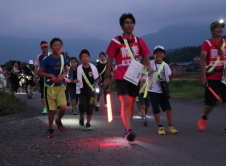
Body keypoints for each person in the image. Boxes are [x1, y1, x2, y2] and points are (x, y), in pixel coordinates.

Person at [103, 13, 151, 141]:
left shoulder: (139, 41)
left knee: (130, 104)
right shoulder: (116, 41)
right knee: (125, 102)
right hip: (121, 76)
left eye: (131, 22)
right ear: (122, 26)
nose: (129, 25)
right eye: (126, 23)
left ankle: (126, 128)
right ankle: (129, 130)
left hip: (134, 75)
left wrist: (148, 67)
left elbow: (145, 55)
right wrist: (107, 76)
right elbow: (110, 60)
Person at [197, 20, 226, 137]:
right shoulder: (207, 43)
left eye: (221, 27)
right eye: (217, 27)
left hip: (225, 76)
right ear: (212, 30)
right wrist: (203, 76)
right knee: (210, 104)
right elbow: (202, 60)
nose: (219, 29)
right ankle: (204, 117)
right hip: (212, 76)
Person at [37, 38, 69, 138]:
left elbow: (67, 70)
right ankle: (50, 129)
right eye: (55, 45)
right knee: (52, 110)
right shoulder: (47, 59)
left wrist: (62, 76)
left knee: (63, 107)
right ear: (51, 47)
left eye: (60, 45)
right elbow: (39, 72)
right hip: (50, 87)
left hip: (60, 86)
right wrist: (51, 76)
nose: (58, 47)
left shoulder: (63, 58)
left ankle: (58, 120)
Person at [145, 46, 178, 135]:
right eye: (157, 53)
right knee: (156, 109)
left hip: (163, 91)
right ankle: (160, 126)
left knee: (168, 108)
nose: (159, 55)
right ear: (154, 54)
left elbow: (167, 79)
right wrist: (148, 73)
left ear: (164, 55)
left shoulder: (165, 65)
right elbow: (143, 74)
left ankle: (170, 125)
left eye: (161, 53)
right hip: (152, 90)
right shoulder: (150, 63)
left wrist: (173, 75)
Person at [76, 49, 99, 130]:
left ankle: (88, 123)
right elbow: (75, 78)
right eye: (82, 57)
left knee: (90, 107)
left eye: (86, 56)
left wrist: (96, 86)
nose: (84, 58)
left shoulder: (93, 68)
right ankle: (81, 118)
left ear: (89, 58)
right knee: (82, 105)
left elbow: (96, 78)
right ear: (80, 59)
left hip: (91, 91)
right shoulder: (78, 68)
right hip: (82, 90)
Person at [34, 41, 50, 114]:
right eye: (43, 47)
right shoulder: (39, 56)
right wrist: (35, 76)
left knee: (50, 92)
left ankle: (50, 106)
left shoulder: (52, 55)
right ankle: (44, 108)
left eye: (46, 47)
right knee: (43, 92)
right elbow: (36, 66)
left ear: (48, 47)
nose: (45, 48)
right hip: (42, 76)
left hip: (50, 76)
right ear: (41, 48)